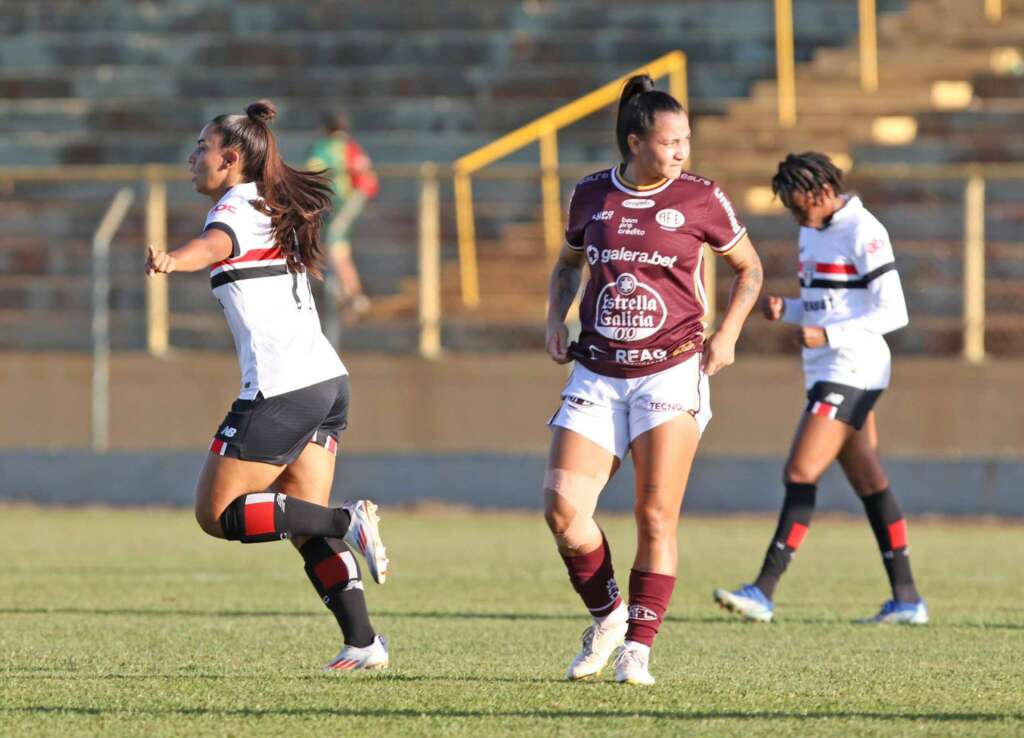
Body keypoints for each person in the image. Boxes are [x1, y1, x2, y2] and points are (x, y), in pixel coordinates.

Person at [146, 100, 391, 671]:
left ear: (231, 158)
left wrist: (174, 260)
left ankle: (348, 521)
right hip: (326, 382)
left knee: (218, 514)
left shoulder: (235, 207)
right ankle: (363, 642)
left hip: (283, 388)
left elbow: (216, 244)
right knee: (298, 516)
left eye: (202, 148)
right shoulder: (268, 203)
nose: (192, 157)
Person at [544, 75, 763, 685]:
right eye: (671, 142)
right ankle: (609, 615)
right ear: (636, 142)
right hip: (597, 371)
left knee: (655, 515)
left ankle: (638, 649)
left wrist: (728, 335)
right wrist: (555, 318)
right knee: (562, 511)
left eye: (686, 140)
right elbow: (566, 266)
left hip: (670, 372)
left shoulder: (701, 197)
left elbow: (749, 269)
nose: (682, 151)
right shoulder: (590, 194)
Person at [713, 152, 927, 625]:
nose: (796, 217)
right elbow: (832, 303)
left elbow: (893, 312)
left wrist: (828, 336)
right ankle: (908, 599)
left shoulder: (864, 230)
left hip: (854, 368)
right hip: (827, 369)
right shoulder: (812, 230)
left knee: (800, 471)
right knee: (870, 482)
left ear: (823, 192)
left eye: (798, 206)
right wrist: (788, 309)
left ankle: (763, 590)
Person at [306, 110, 380, 319]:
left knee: (333, 242)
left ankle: (350, 294)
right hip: (350, 200)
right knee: (337, 245)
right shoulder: (351, 146)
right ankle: (348, 292)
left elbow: (313, 169)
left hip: (343, 202)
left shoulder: (327, 147)